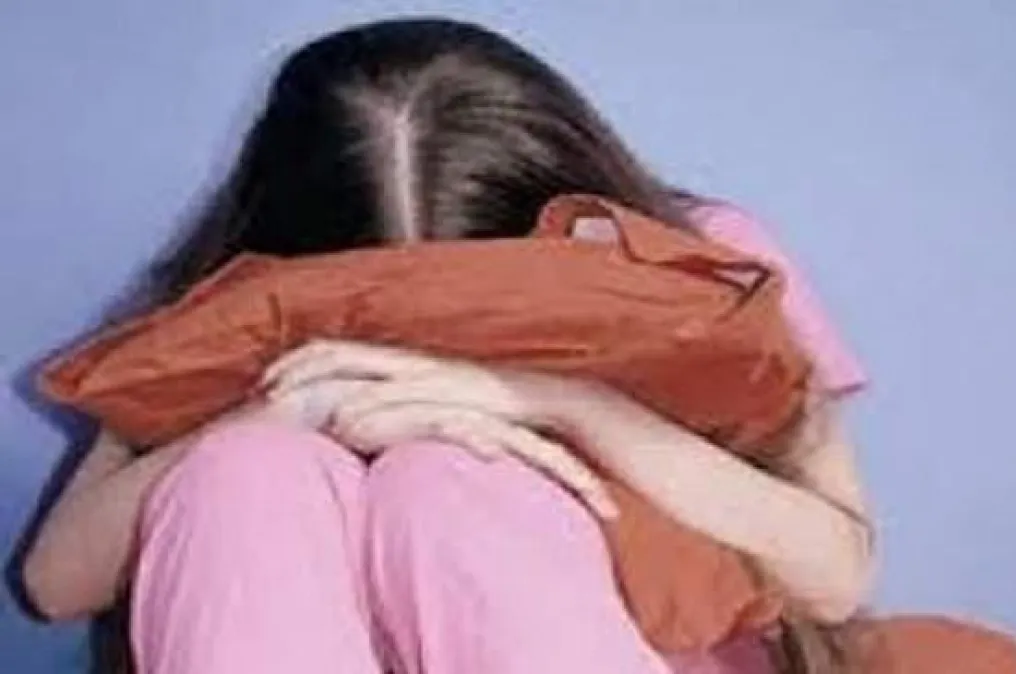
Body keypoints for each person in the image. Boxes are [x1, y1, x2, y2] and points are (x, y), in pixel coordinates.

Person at [21, 18, 873, 674]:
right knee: (245, 472)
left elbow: (837, 576)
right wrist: (275, 414)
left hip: (604, 634)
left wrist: (564, 406)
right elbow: (56, 582)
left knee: (448, 482)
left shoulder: (702, 259)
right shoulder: (232, 305)